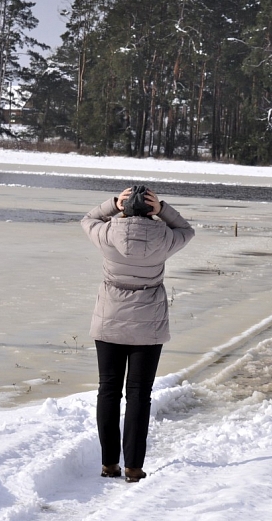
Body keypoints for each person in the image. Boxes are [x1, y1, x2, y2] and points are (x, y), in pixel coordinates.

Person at [81, 185, 195, 482]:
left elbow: (87, 220)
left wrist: (112, 205)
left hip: (110, 321)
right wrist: (163, 210)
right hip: (148, 324)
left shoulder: (107, 235)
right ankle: (133, 467)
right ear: (150, 209)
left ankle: (109, 464)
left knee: (108, 391)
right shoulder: (165, 238)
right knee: (139, 395)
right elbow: (186, 229)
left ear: (124, 207)